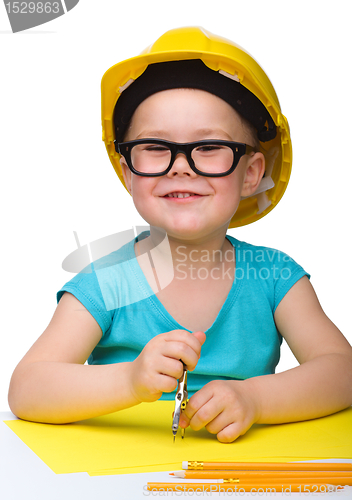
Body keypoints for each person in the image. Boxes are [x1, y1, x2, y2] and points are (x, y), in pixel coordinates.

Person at [8, 27, 352, 443]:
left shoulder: (274, 276)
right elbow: (26, 389)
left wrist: (256, 399)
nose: (181, 166)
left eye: (208, 147)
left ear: (251, 173)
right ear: (127, 172)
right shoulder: (105, 283)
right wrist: (131, 381)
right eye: (155, 146)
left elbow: (342, 371)